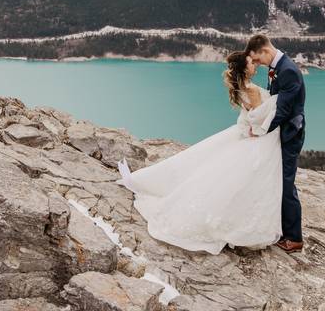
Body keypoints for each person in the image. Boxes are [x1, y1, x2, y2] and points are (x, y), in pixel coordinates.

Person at [115, 50, 283, 255]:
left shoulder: (241, 86)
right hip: (258, 140)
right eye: (251, 63)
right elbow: (258, 121)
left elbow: (248, 115)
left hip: (247, 135)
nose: (255, 64)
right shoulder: (253, 90)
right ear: (243, 68)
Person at [246, 33, 306, 252]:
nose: (259, 64)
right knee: (279, 181)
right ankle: (282, 228)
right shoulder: (279, 68)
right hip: (282, 132)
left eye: (258, 59)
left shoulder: (288, 70)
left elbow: (283, 110)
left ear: (265, 51)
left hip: (290, 133)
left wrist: (261, 130)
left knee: (286, 184)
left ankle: (295, 238)